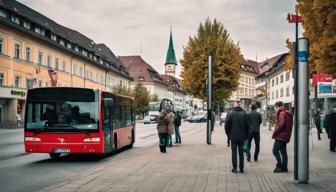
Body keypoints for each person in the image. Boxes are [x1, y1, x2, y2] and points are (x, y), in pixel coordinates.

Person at [225, 101, 250, 173]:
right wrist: (246, 136)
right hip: (242, 137)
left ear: (234, 106)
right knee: (241, 153)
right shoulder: (244, 113)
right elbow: (248, 126)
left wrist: (228, 135)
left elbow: (226, 126)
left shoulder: (230, 113)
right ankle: (241, 168)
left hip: (233, 136)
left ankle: (235, 168)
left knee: (234, 153)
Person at [272, 101, 293, 173]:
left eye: (274, 107)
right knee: (283, 152)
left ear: (277, 106)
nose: (275, 109)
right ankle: (284, 168)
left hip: (280, 136)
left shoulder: (282, 113)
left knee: (275, 151)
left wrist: (275, 131)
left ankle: (279, 165)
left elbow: (282, 124)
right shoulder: (287, 112)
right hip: (285, 135)